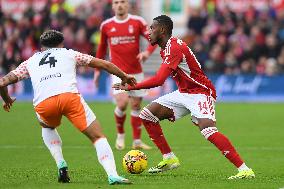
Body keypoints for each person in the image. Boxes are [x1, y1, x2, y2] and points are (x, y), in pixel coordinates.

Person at [113, 15, 255, 179]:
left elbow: (159, 80)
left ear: (162, 30)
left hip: (201, 92)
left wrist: (132, 85)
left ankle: (244, 169)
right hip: (184, 93)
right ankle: (169, 158)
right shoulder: (166, 48)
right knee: (147, 115)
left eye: (152, 28)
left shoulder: (173, 48)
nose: (148, 31)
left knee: (208, 130)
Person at [0, 30, 134, 185]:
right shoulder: (69, 53)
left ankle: (60, 163)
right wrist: (124, 76)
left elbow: (2, 83)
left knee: (47, 127)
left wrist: (7, 99)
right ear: (61, 44)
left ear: (42, 47)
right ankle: (112, 175)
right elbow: (104, 64)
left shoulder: (30, 61)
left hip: (44, 103)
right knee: (97, 137)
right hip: (69, 98)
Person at [94, 0, 155, 150]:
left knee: (136, 105)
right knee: (122, 103)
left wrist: (147, 52)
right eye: (116, 2)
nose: (120, 5)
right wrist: (97, 71)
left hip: (136, 71)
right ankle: (120, 136)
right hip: (117, 72)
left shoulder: (138, 22)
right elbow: (101, 49)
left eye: (123, 2)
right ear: (113, 6)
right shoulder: (106, 25)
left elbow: (153, 39)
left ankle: (137, 141)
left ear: (128, 5)